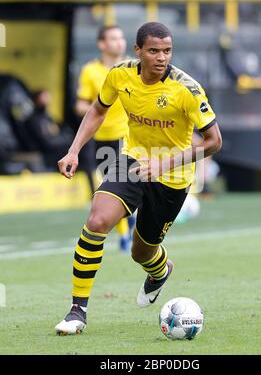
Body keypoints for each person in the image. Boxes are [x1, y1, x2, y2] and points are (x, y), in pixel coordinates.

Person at [55, 22, 222, 335]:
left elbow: (214, 141)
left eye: (167, 51)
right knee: (97, 221)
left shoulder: (187, 89)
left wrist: (163, 165)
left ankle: (161, 270)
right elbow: (97, 110)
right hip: (131, 161)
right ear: (138, 51)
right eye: (154, 51)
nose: (161, 57)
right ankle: (77, 310)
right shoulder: (119, 74)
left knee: (140, 252)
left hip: (171, 177)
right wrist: (74, 150)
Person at [76, 25, 134, 252]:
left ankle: (125, 237)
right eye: (113, 38)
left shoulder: (132, 68)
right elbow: (80, 104)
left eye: (121, 38)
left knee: (120, 187)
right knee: (111, 189)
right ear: (102, 44)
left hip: (127, 137)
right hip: (101, 137)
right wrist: (99, 107)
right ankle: (125, 230)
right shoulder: (90, 71)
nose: (119, 42)